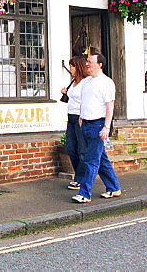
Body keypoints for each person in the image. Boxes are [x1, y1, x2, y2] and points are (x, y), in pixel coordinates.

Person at [72, 53, 121, 203]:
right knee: (101, 159)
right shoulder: (86, 82)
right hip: (85, 123)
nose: (87, 64)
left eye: (90, 62)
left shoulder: (106, 82)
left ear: (100, 65)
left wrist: (107, 127)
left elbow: (109, 106)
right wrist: (81, 116)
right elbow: (84, 101)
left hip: (98, 125)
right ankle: (114, 188)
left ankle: (84, 194)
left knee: (91, 160)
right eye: (87, 62)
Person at [61, 54, 90, 191]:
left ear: (78, 66)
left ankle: (80, 178)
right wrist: (65, 92)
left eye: (72, 65)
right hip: (71, 117)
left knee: (82, 150)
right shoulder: (74, 81)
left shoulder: (87, 82)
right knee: (70, 148)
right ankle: (80, 175)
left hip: (81, 118)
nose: (70, 68)